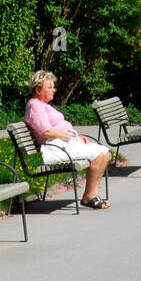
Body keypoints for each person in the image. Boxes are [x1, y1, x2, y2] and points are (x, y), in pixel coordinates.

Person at [24, 71, 112, 209]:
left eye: (53, 87)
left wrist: (73, 137)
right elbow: (47, 132)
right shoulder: (35, 106)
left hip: (64, 145)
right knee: (98, 154)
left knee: (105, 153)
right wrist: (72, 137)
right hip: (55, 148)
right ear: (38, 89)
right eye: (50, 87)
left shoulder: (42, 105)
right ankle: (89, 196)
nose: (54, 90)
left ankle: (92, 194)